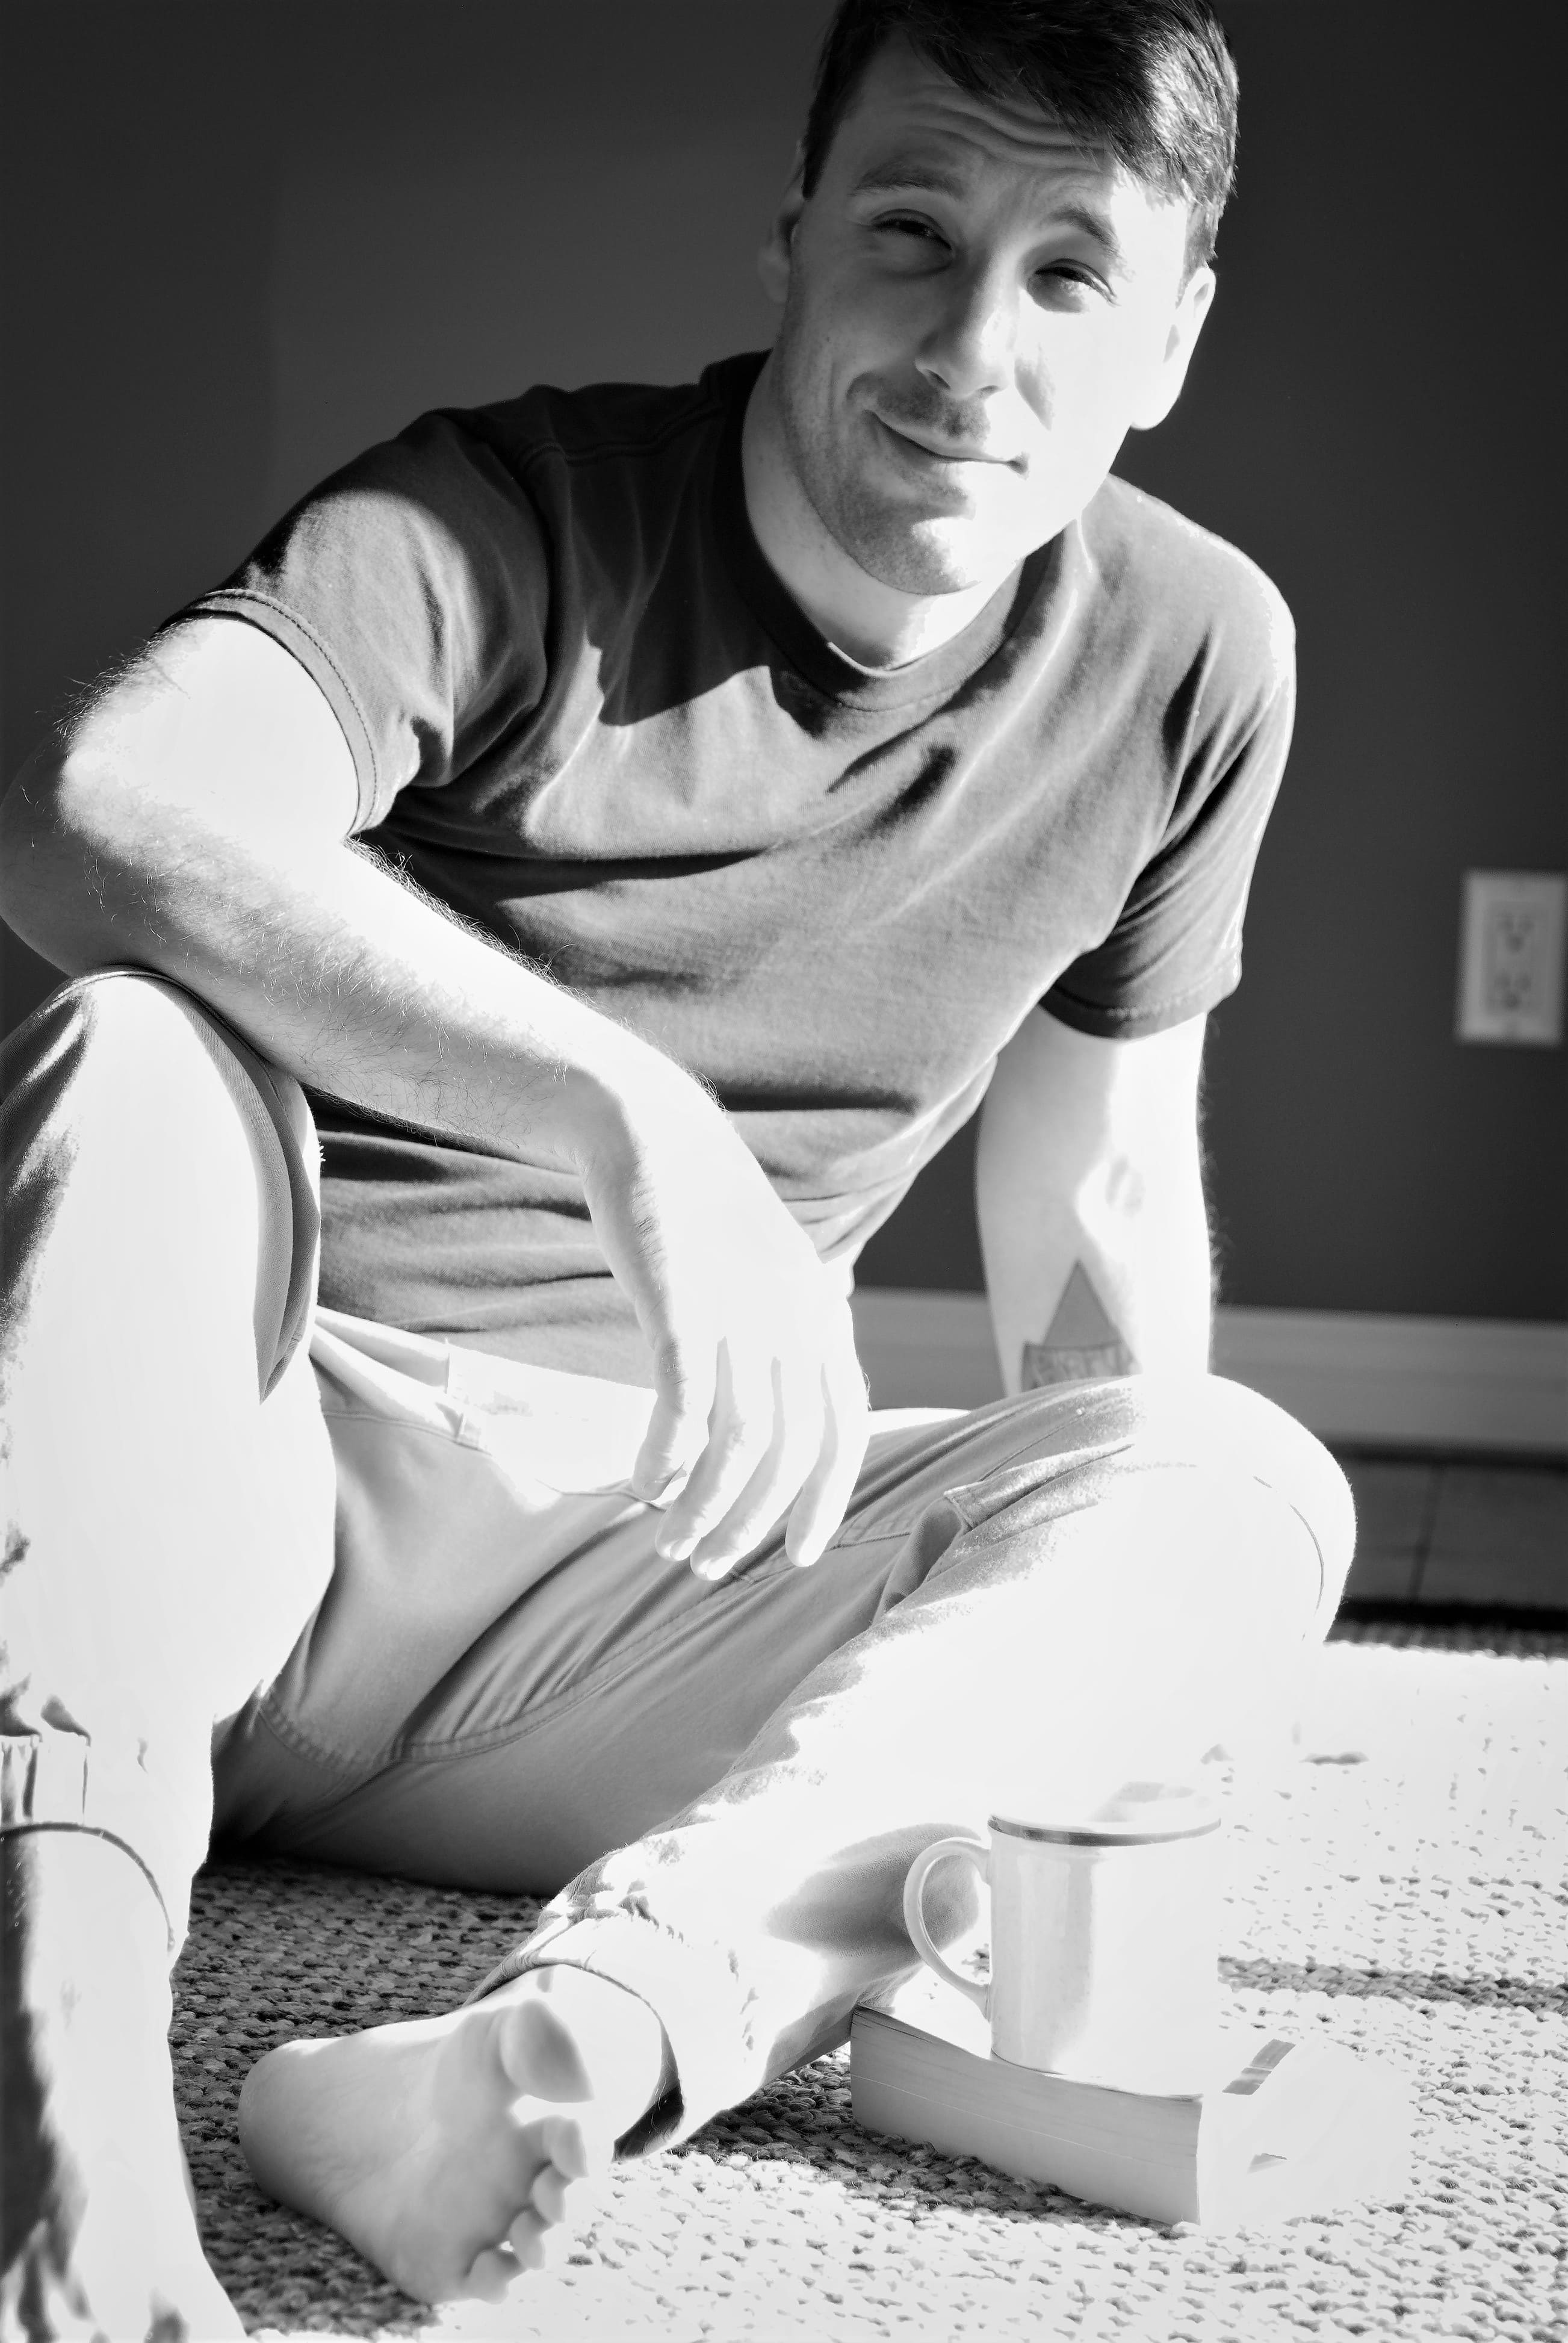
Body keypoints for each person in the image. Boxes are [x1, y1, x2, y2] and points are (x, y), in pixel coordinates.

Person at [0, 0, 1355, 2326]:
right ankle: (69, 2123)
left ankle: (562, 2040)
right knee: (124, 1058)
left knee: (1232, 1481)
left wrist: (1098, 1726)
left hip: (629, 1586)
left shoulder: (1196, 656)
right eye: (912, 234)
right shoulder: (506, 513)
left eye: (1067, 273)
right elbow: (101, 807)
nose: (970, 347)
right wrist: (631, 1119)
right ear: (794, 239)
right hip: (206, 1467)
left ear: (1172, 340)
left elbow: (1099, 1202)